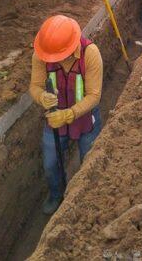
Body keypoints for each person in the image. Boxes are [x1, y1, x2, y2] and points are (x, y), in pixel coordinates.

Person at [29, 15, 103, 215]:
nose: (51, 60)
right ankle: (56, 193)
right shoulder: (40, 55)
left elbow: (94, 95)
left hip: (85, 118)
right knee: (50, 164)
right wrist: (42, 97)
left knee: (89, 162)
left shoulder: (90, 53)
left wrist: (69, 114)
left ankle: (86, 199)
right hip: (55, 120)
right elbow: (35, 86)